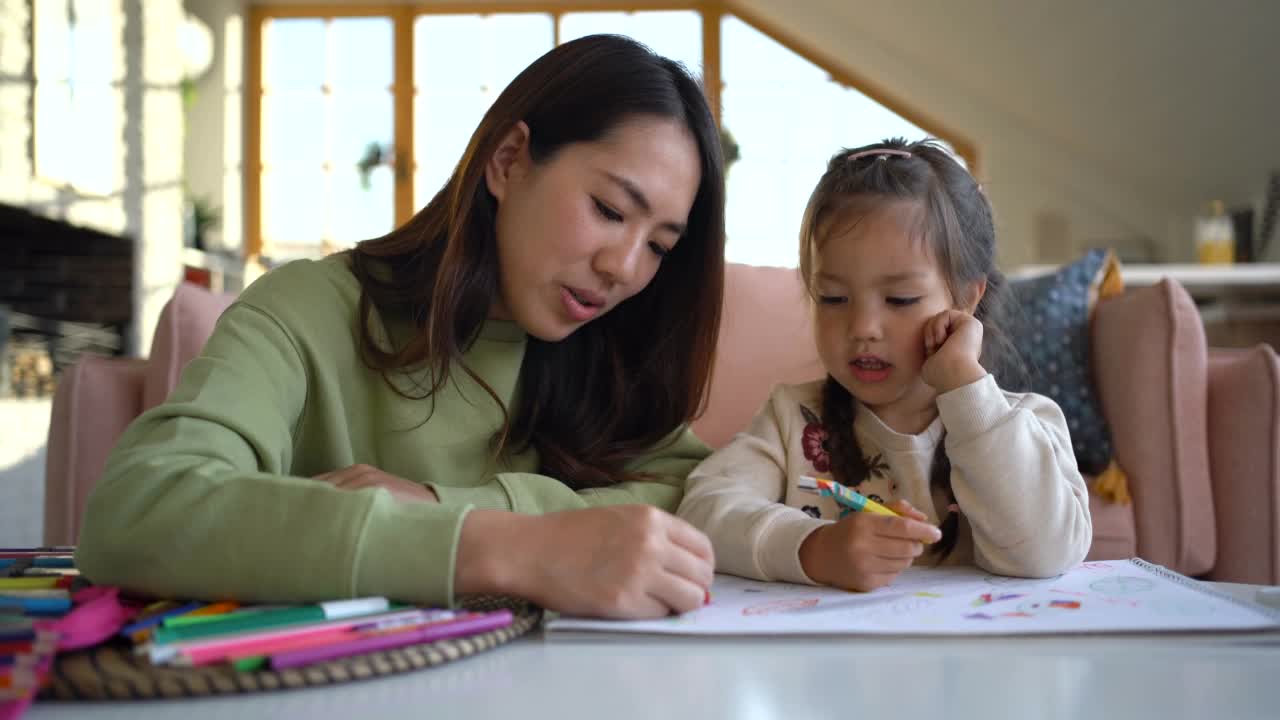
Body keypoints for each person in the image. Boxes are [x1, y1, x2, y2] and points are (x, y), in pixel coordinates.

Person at [76, 34, 725, 619]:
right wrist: (507, 545)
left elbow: (694, 499)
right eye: (610, 209)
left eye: (661, 246)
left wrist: (440, 502)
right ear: (508, 160)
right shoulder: (311, 310)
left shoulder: (611, 349)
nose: (625, 267)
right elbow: (140, 509)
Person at [677, 138, 1091, 592]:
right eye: (833, 298)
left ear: (967, 298)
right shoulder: (794, 419)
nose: (864, 327)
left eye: (900, 299)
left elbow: (1046, 553)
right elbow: (703, 510)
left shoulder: (1022, 422)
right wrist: (814, 547)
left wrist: (965, 387)